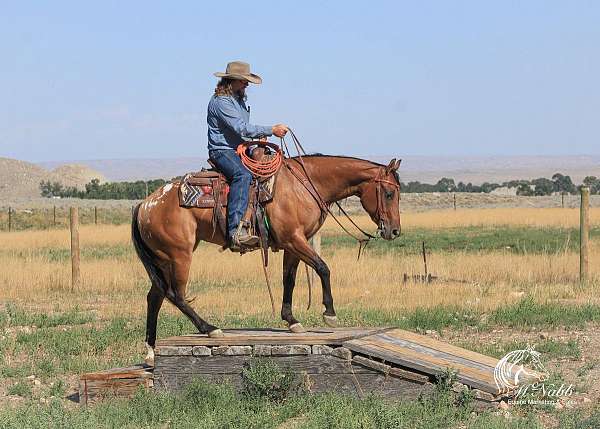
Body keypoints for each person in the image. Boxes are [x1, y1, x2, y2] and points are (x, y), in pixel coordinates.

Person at [207, 61, 288, 250]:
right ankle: (236, 231)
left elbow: (243, 132)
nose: (247, 84)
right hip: (222, 150)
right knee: (242, 175)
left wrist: (258, 141)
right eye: (244, 81)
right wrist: (271, 130)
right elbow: (241, 128)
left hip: (239, 148)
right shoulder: (221, 102)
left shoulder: (239, 100)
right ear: (232, 80)